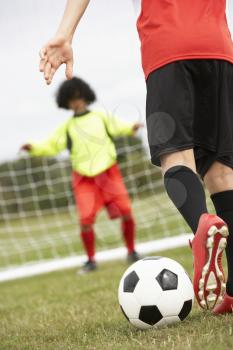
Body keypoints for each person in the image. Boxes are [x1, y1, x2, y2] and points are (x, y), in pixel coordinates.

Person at [38, 0, 233, 313]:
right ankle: (232, 292)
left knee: (177, 159)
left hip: (168, 48)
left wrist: (65, 33)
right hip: (220, 48)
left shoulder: (99, 117)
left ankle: (201, 224)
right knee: (222, 172)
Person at [21, 77, 142, 273]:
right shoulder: (67, 127)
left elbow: (119, 126)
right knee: (85, 220)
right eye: (71, 99)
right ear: (66, 102)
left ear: (85, 96)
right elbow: (51, 145)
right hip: (84, 178)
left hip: (109, 173)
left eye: (78, 97)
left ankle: (131, 251)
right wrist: (33, 148)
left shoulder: (101, 117)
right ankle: (90, 260)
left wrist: (131, 128)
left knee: (126, 211)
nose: (76, 101)